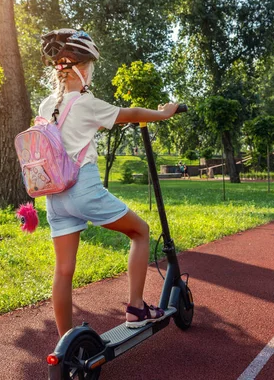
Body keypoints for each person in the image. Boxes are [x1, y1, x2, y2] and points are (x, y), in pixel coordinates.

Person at [38, 29, 179, 337]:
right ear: (82, 68)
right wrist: (164, 113)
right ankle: (136, 308)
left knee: (63, 270)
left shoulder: (46, 106)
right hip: (83, 190)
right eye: (91, 66)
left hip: (54, 197)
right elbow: (132, 114)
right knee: (140, 232)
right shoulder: (87, 103)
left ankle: (66, 346)